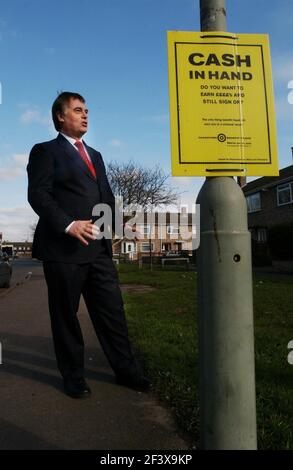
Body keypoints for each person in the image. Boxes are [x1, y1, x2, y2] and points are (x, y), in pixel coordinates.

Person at [27, 91, 150, 398]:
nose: (85, 115)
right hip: (63, 251)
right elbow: (38, 195)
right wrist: (69, 224)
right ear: (60, 116)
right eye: (78, 110)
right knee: (66, 317)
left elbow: (105, 197)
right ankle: (73, 377)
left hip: (98, 251)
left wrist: (120, 227)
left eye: (87, 111)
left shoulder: (95, 155)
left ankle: (127, 372)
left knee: (112, 313)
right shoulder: (44, 151)